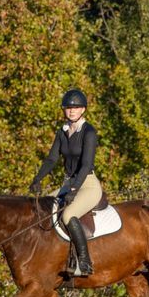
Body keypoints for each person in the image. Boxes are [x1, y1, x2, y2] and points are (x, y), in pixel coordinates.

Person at [28, 88, 102, 277]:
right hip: (69, 183)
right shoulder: (62, 132)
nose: (71, 110)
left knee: (68, 214)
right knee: (42, 208)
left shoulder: (89, 132)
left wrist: (75, 189)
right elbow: (52, 159)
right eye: (68, 107)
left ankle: (84, 261)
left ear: (83, 110)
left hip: (87, 184)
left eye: (75, 108)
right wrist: (37, 178)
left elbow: (86, 165)